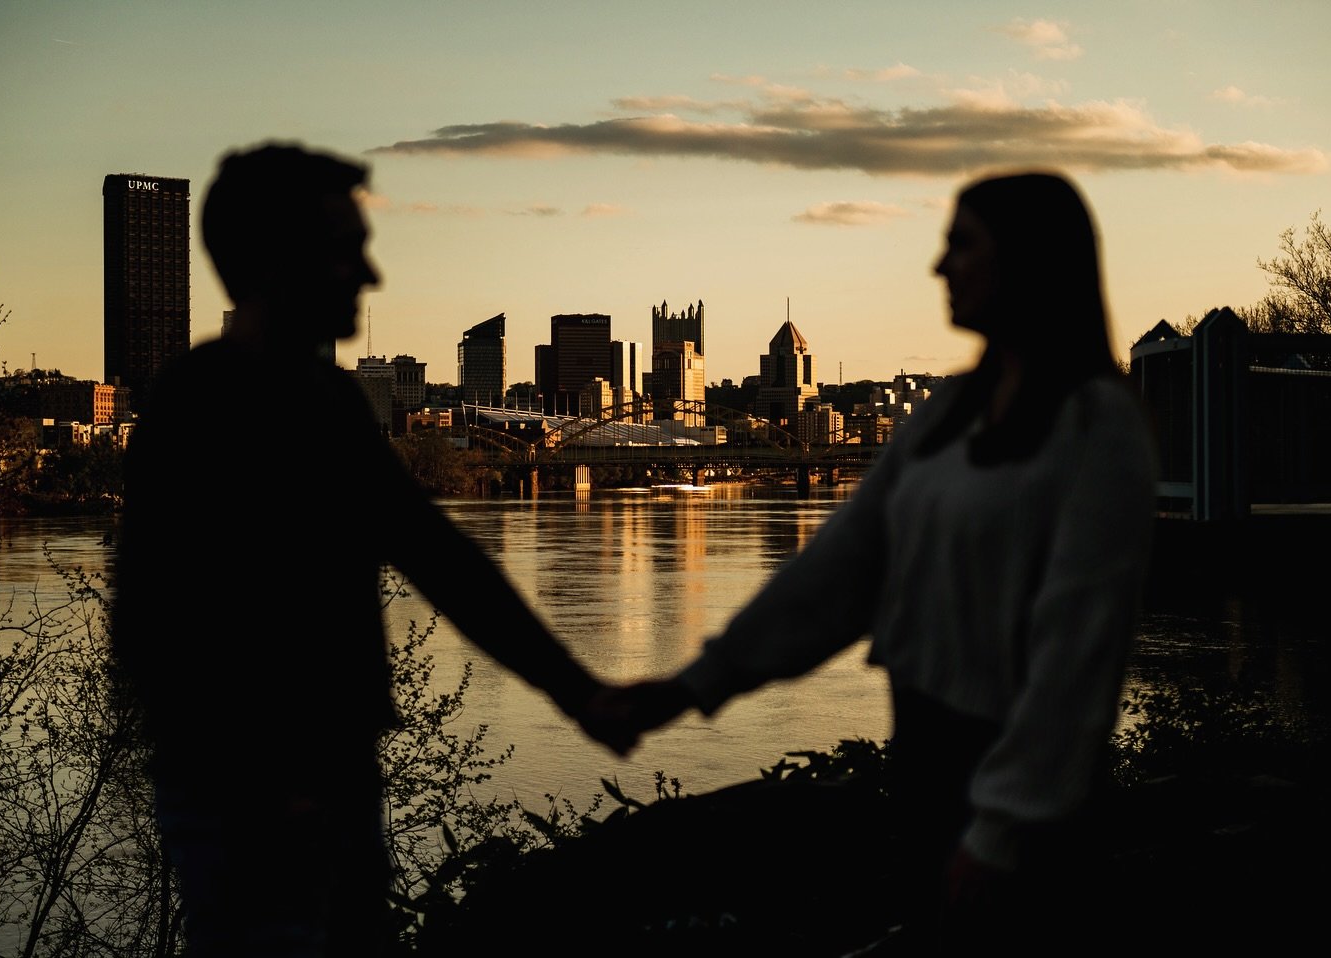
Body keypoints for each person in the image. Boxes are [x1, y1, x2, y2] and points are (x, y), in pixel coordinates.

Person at [109, 142, 633, 958]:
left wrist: (578, 693)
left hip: (323, 778)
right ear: (282, 260)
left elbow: (438, 556)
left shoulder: (322, 398)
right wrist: (267, 785)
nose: (369, 274)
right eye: (347, 248)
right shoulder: (209, 403)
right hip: (265, 800)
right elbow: (155, 622)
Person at [613, 171, 1157, 946]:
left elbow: (1078, 655)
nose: (939, 268)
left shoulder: (1096, 426)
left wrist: (1002, 831)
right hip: (925, 764)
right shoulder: (946, 415)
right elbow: (836, 574)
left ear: (1031, 260)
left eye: (962, 245)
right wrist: (693, 686)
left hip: (1021, 804)